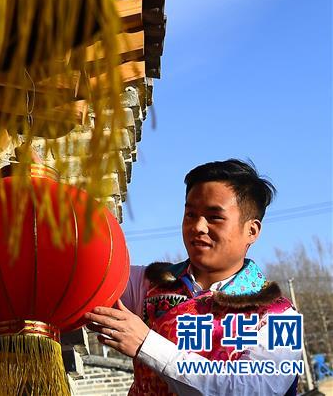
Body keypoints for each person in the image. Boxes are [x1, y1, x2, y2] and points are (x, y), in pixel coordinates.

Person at [84, 159, 303, 395]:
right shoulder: (150, 283)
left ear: (252, 230)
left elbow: (253, 390)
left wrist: (146, 345)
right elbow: (87, 273)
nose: (198, 226)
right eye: (190, 214)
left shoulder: (280, 317)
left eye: (214, 217)